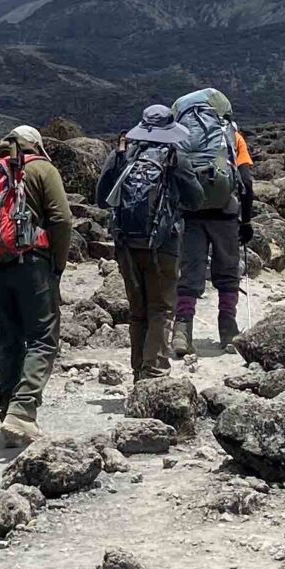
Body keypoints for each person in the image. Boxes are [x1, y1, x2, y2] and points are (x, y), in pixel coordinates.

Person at [0, 124, 75, 443]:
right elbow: (62, 219)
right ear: (36, 145)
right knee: (43, 337)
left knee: (8, 339)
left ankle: (7, 409)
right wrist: (58, 264)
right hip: (32, 264)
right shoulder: (42, 169)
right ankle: (23, 409)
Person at [94, 103, 201, 381]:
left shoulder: (122, 155)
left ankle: (138, 370)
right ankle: (154, 372)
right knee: (162, 308)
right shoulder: (175, 158)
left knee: (137, 309)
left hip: (126, 244)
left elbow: (101, 196)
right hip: (163, 245)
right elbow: (196, 198)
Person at [170, 87, 255, 357]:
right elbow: (247, 183)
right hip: (225, 214)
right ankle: (228, 329)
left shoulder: (181, 136)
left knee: (189, 272)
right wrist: (246, 221)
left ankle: (182, 331)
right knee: (228, 272)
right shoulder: (232, 137)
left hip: (190, 214)